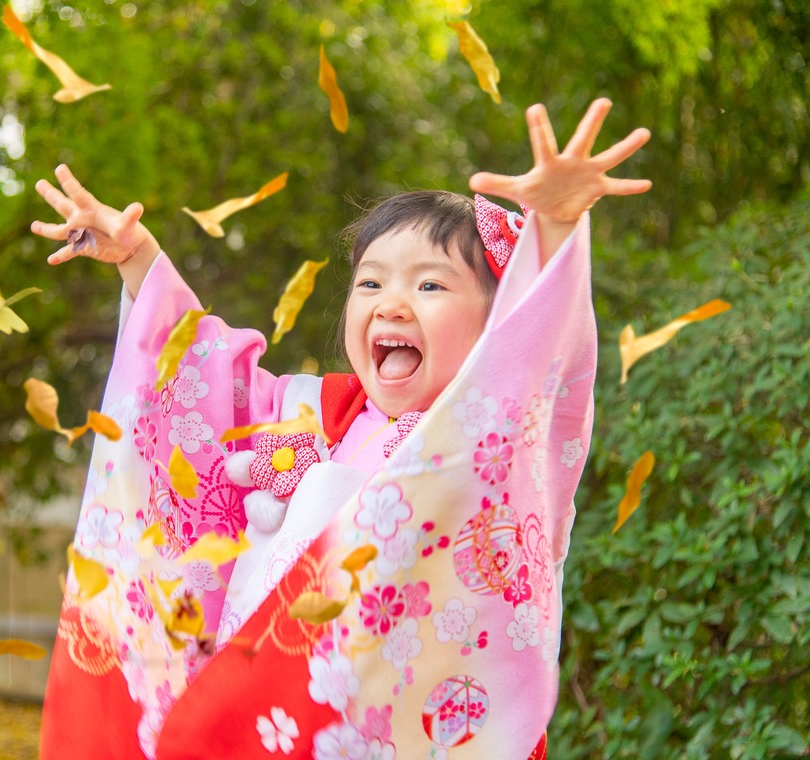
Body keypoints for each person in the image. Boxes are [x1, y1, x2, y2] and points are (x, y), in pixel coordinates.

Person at [35, 99, 650, 760]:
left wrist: (555, 226)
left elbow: (539, 362)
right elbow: (201, 387)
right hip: (267, 719)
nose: (391, 302)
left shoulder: (490, 449)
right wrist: (139, 259)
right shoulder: (312, 415)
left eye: (431, 287)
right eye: (371, 282)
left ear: (498, 324)